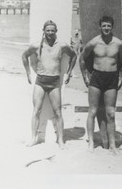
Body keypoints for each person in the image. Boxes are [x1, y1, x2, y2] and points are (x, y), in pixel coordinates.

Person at [21, 20, 77, 149]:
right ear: (44, 31)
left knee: (58, 112)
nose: (50, 33)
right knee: (36, 111)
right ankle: (33, 138)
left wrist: (69, 73)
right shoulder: (36, 46)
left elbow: (74, 56)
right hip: (40, 81)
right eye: (48, 30)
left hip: (55, 82)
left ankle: (61, 140)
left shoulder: (62, 45)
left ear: (56, 31)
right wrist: (28, 73)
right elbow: (24, 56)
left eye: (52, 30)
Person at [80, 16, 122, 153]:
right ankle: (91, 143)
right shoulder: (93, 43)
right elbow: (82, 59)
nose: (106, 28)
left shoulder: (119, 44)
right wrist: (85, 77)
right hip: (97, 77)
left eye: (109, 26)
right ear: (100, 27)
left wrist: (121, 78)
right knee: (92, 111)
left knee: (111, 113)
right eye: (104, 26)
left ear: (112, 27)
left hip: (112, 78)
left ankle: (112, 145)